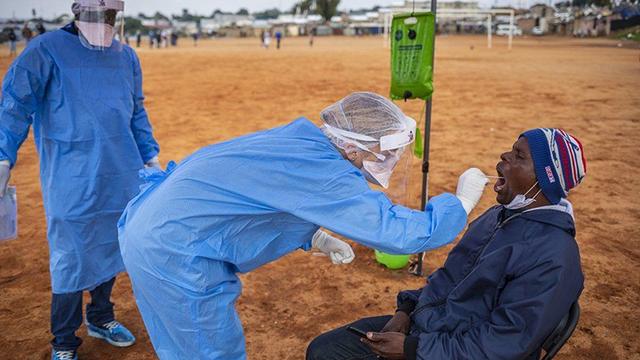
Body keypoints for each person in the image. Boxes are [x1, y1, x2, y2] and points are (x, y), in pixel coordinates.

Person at [117, 92, 489, 359]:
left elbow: (263, 195)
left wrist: (315, 236)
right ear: (355, 148)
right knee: (207, 349)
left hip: (152, 224)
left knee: (181, 344)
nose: (390, 160)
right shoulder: (328, 172)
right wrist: (460, 203)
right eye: (386, 151)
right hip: (175, 251)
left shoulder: (304, 140)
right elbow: (400, 235)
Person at [307, 128, 587, 360]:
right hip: (431, 329)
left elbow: (504, 345)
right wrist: (406, 312)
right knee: (324, 351)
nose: (504, 156)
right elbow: (448, 278)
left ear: (544, 180)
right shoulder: (498, 217)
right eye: (510, 149)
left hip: (453, 348)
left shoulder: (553, 255)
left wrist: (413, 350)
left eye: (518, 156)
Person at [0, 1, 161, 359]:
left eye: (110, 15)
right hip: (70, 176)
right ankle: (64, 340)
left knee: (111, 244)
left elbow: (135, 110)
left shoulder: (126, 57)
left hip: (121, 172)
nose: (105, 22)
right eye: (98, 15)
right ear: (79, 11)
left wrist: (150, 154)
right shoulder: (45, 50)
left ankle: (101, 317)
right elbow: (14, 103)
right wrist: (3, 155)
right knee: (71, 256)